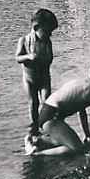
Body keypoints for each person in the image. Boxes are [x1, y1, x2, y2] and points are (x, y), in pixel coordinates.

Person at [29, 57, 90, 156]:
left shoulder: (81, 82)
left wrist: (87, 135)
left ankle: (38, 141)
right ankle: (37, 153)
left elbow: (82, 111)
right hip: (52, 117)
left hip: (46, 113)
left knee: (67, 141)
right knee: (78, 149)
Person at [15, 8, 57, 138]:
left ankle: (46, 123)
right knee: (33, 102)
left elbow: (50, 58)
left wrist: (44, 59)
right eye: (47, 31)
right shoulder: (24, 40)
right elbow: (17, 58)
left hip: (44, 77)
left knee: (47, 100)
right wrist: (28, 57)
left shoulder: (47, 42)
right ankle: (34, 125)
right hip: (29, 78)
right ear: (36, 27)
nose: (50, 35)